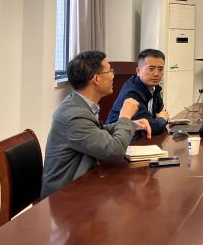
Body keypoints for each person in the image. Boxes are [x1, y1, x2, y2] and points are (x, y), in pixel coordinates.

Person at [41, 51, 151, 198]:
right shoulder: (74, 116)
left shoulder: (78, 103)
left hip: (82, 185)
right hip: (64, 197)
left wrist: (131, 124)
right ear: (96, 79)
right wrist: (124, 117)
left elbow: (96, 132)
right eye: (110, 71)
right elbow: (115, 151)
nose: (113, 76)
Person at [106, 49, 169, 135]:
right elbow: (150, 127)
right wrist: (161, 119)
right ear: (138, 71)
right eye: (151, 69)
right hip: (120, 138)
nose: (156, 74)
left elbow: (162, 114)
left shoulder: (154, 87)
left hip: (141, 137)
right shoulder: (132, 93)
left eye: (160, 69)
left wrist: (160, 119)